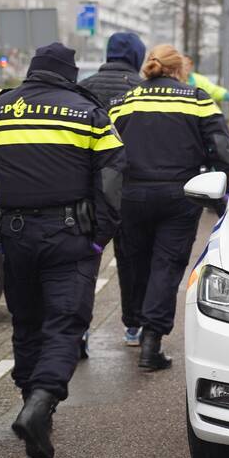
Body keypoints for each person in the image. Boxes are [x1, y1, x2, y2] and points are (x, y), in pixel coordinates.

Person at [0, 42, 125, 458]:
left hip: (14, 234)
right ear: (69, 72)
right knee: (64, 324)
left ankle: (31, 405)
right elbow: (115, 174)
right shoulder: (89, 113)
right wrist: (100, 235)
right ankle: (42, 400)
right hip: (69, 235)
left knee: (26, 322)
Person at [109, 45, 229, 371]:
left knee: (133, 262)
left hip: (132, 194)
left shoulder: (126, 100)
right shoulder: (196, 99)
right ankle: (152, 341)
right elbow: (221, 147)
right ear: (179, 68)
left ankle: (134, 324)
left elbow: (107, 149)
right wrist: (224, 189)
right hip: (181, 195)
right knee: (166, 266)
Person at [80, 32, 147, 347]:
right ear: (137, 56)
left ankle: (78, 330)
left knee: (84, 262)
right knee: (130, 259)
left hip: (87, 189)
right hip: (130, 187)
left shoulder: (85, 87)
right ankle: (133, 326)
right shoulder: (141, 90)